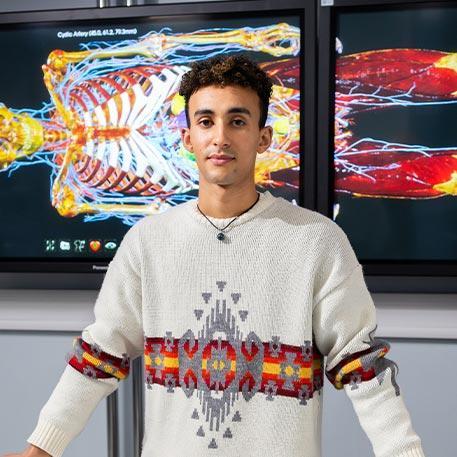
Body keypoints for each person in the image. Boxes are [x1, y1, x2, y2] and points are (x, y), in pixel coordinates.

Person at [4, 55, 425, 457]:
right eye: (206, 121)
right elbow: (99, 354)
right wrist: (42, 448)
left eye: (237, 121)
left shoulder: (317, 241)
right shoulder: (147, 241)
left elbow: (362, 369)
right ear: (187, 137)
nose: (220, 137)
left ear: (264, 137)